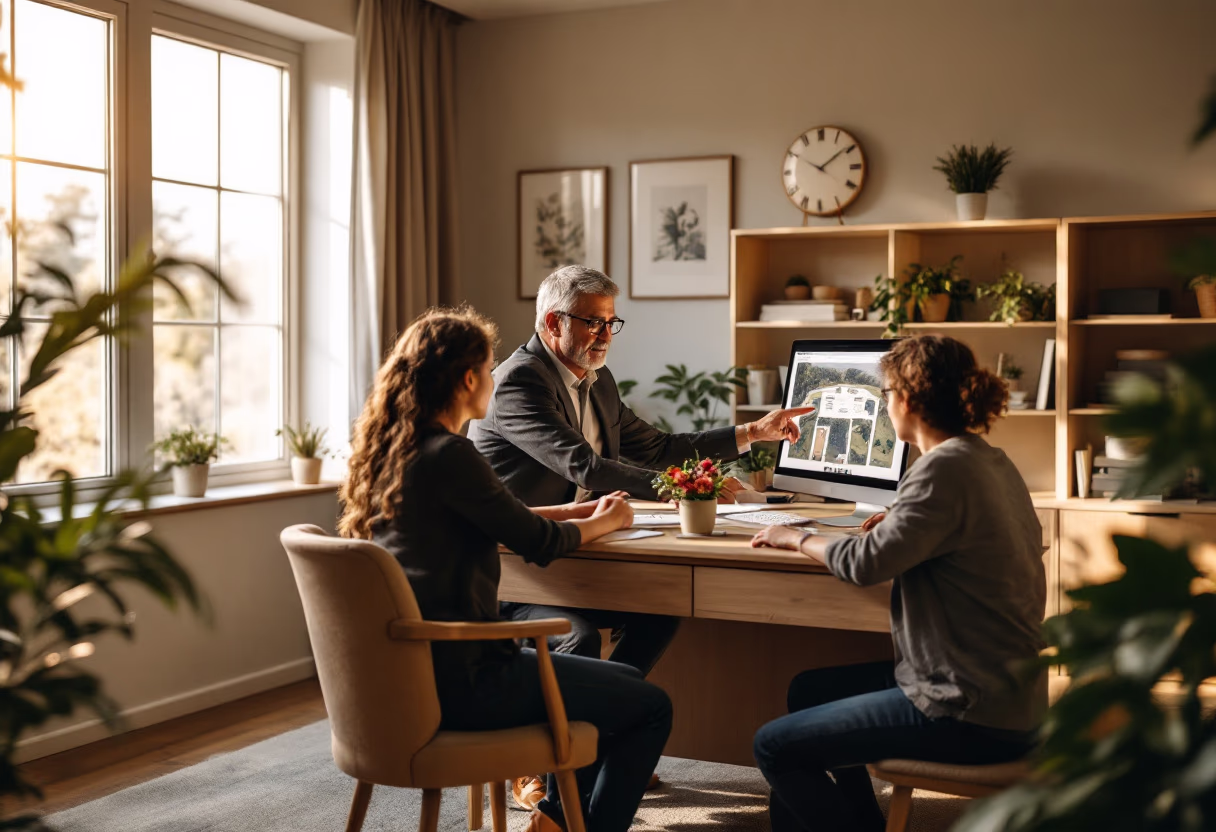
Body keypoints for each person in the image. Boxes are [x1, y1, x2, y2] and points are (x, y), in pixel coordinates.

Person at [468, 265, 811, 807]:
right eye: (593, 323)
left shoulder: (596, 379)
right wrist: (687, 488)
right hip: (515, 565)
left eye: (611, 323)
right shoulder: (518, 380)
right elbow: (584, 465)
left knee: (659, 608)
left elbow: (653, 447)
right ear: (554, 322)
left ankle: (597, 742)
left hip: (577, 552)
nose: (605, 336)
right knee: (576, 637)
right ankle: (556, 774)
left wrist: (752, 433)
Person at [339, 306, 672, 832]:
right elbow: (538, 544)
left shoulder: (396, 455)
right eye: (491, 368)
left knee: (626, 682)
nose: (497, 379)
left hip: (412, 677)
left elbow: (497, 518)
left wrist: (576, 510)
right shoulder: (452, 454)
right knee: (650, 704)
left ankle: (561, 815)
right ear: (469, 379)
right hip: (471, 679)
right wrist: (606, 521)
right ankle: (565, 822)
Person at [748, 334, 1046, 832]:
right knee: (809, 689)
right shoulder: (988, 460)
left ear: (906, 400)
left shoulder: (941, 471)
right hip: (1010, 695)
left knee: (773, 746)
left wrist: (792, 537)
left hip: (965, 708)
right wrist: (899, 517)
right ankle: (861, 821)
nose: (885, 405)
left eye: (885, 394)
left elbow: (862, 564)